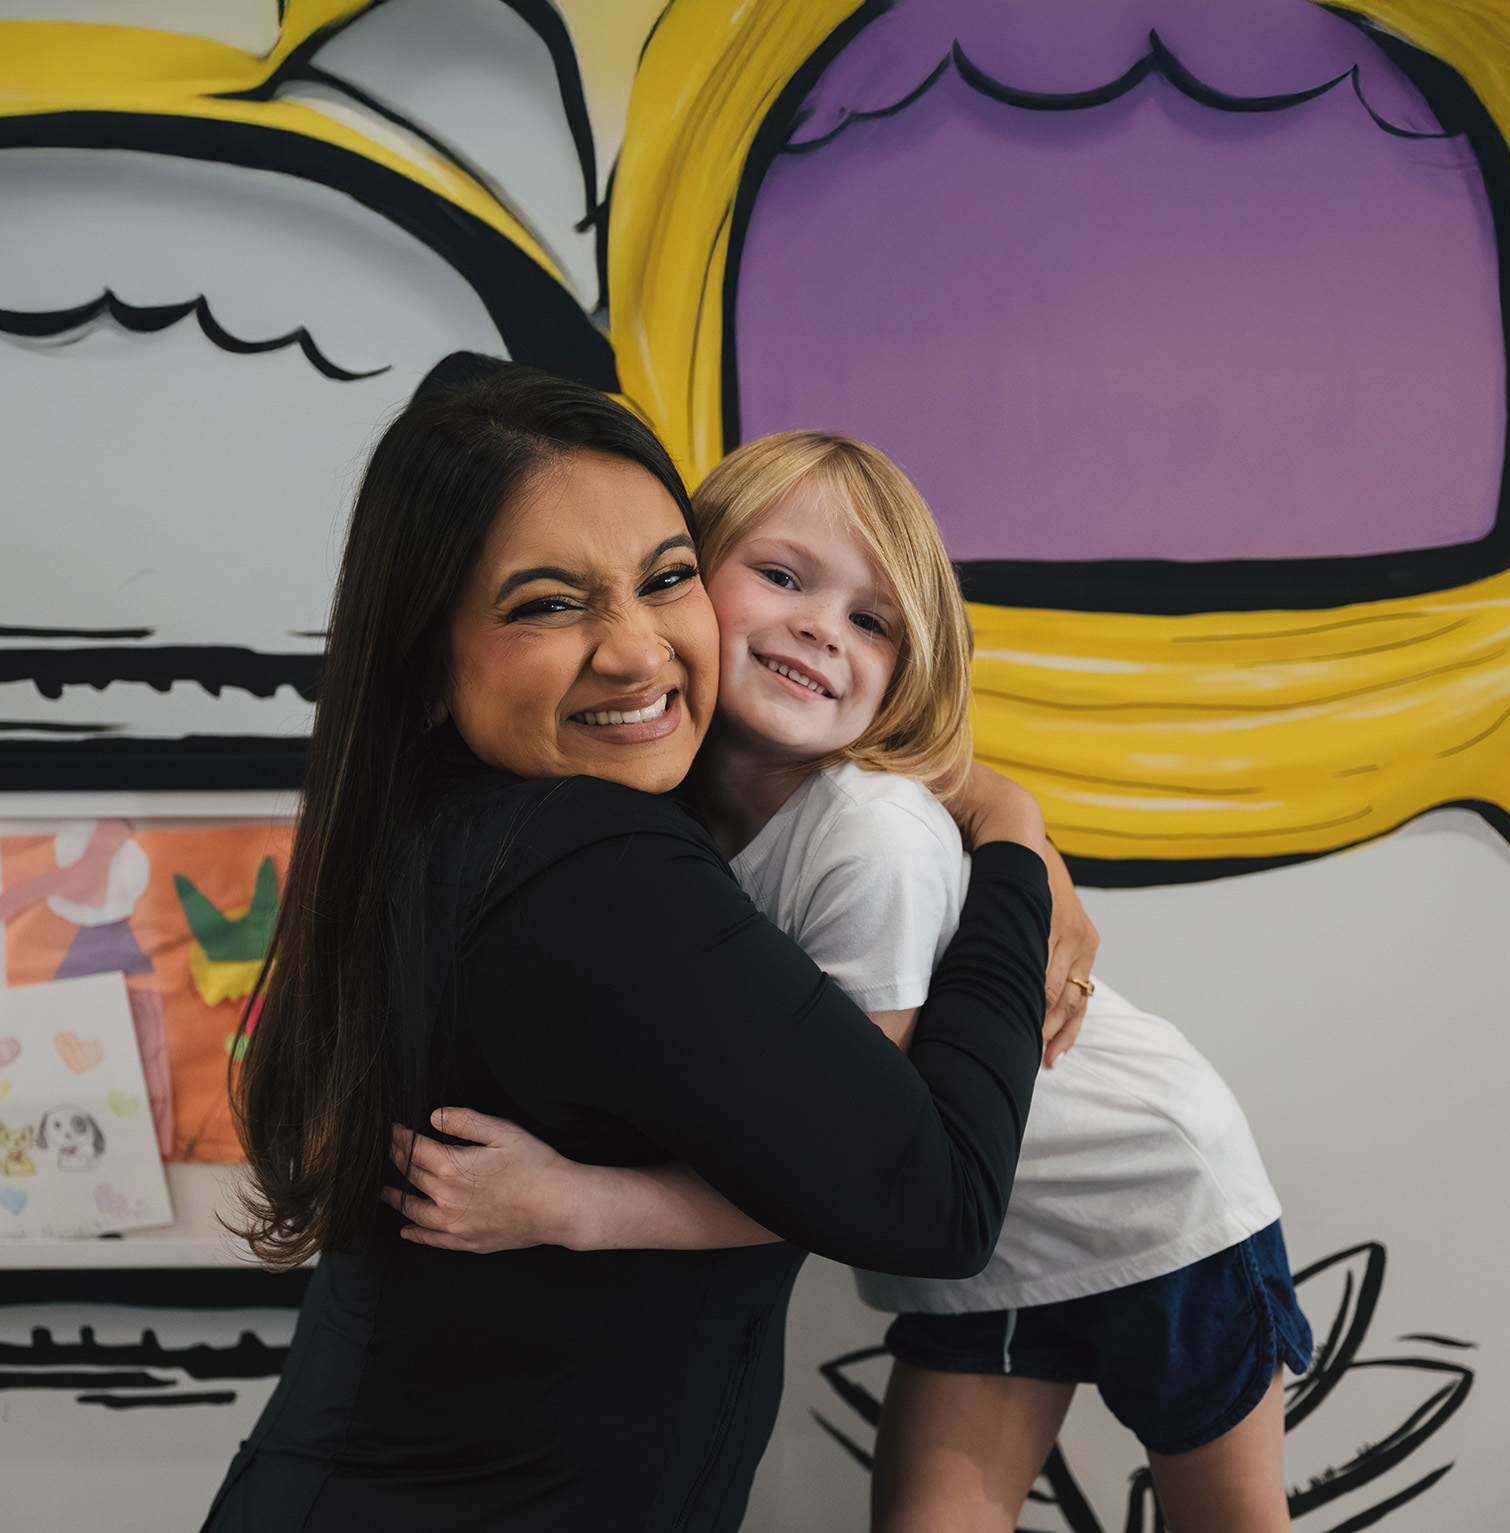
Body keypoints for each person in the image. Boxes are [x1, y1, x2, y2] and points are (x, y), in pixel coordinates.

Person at [391, 432, 1314, 1533]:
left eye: (873, 621)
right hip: (979, 1255)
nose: (824, 625)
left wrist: (575, 1205)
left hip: (1155, 1202)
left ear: (905, 675)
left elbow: (848, 1166)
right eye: (781, 576)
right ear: (688, 581)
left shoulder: (868, 836)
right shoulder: (663, 816)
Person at [201, 363, 1058, 1532]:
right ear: (428, 664)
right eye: (548, 603)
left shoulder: (436, 826)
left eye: (666, 580)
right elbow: (942, 1200)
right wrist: (1016, 847)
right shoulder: (601, 871)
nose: (637, 652)